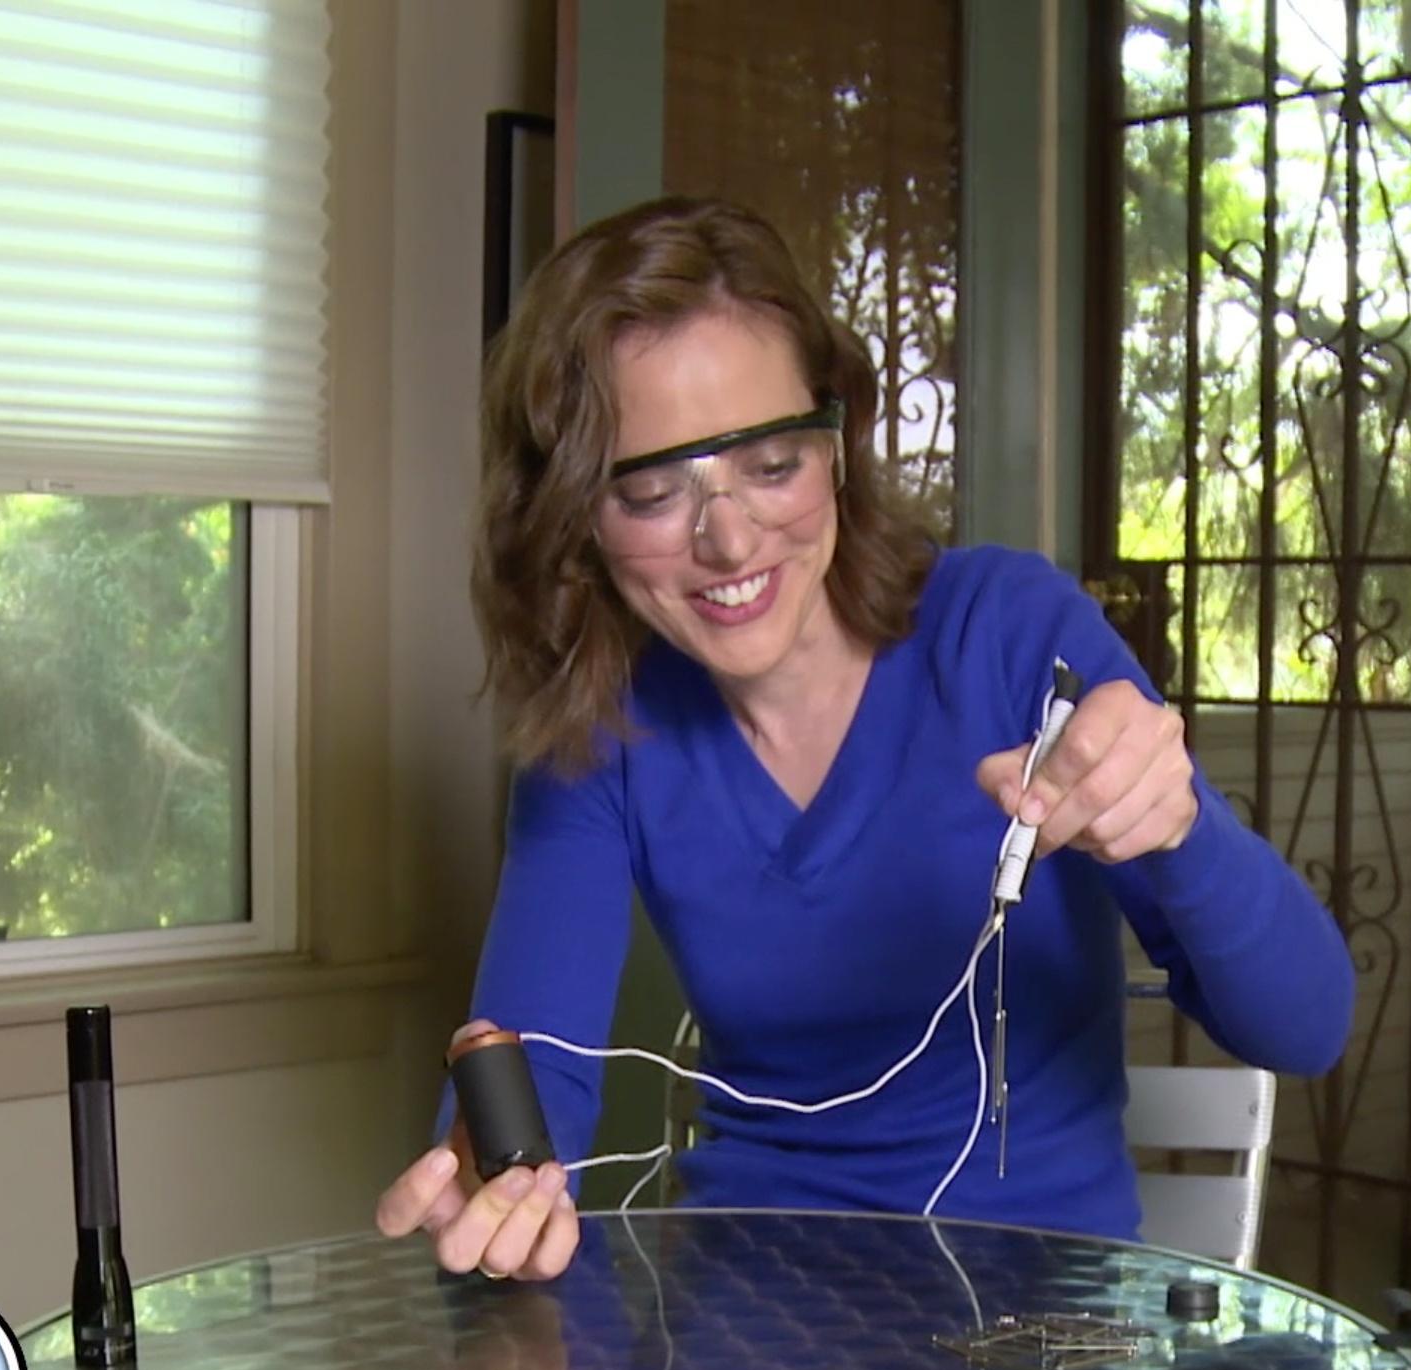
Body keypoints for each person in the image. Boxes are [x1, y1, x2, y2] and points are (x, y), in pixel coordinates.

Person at [375, 196, 1352, 1282]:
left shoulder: (1013, 637)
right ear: (575, 522)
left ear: (839, 443)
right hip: (742, 1348)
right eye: (651, 492)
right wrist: (488, 1186)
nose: (729, 538)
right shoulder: (599, 731)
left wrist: (1182, 830)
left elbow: (1305, 1030)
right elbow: (526, 1081)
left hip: (1035, 1336)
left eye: (773, 465)